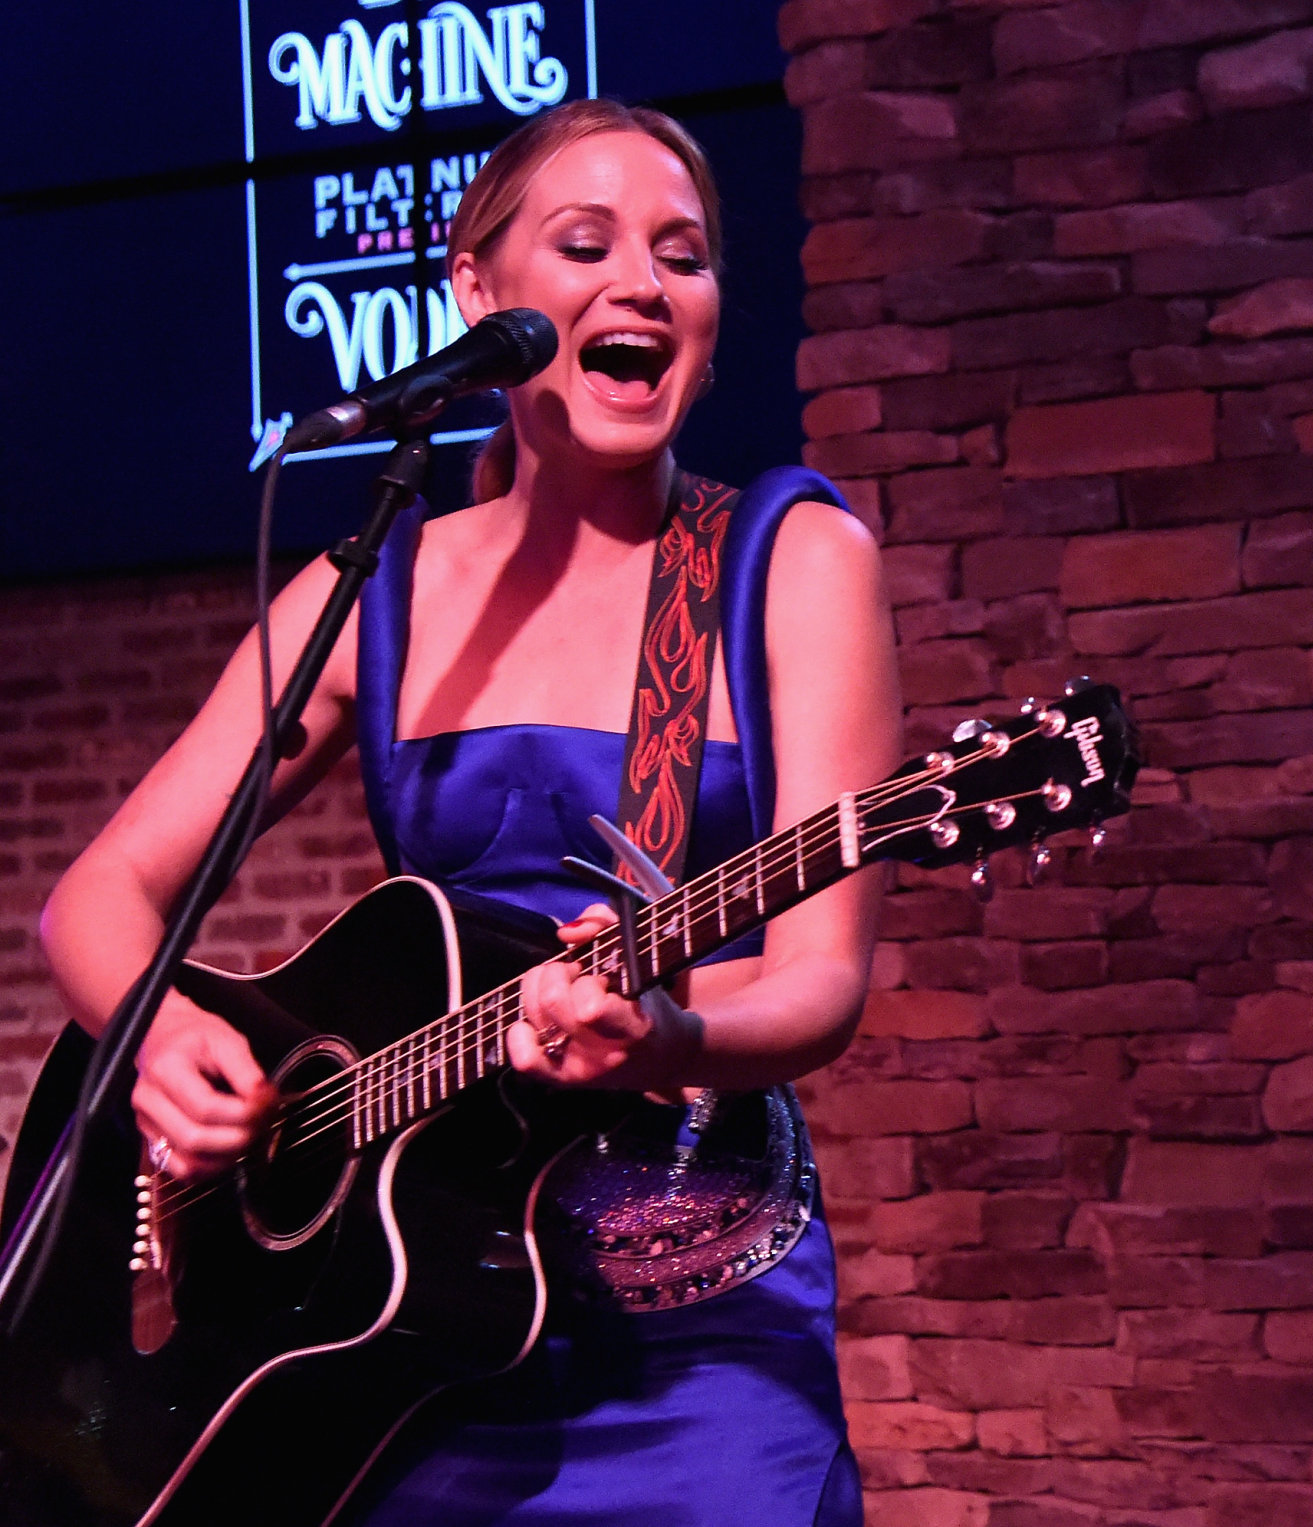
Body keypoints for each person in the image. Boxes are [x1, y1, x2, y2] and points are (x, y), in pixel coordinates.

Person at [38, 99, 898, 1525]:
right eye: (587, 243)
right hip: (405, 1333)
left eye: (684, 257)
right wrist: (172, 1040)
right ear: (479, 293)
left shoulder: (783, 561)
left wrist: (669, 1041)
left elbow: (822, 981)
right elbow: (101, 898)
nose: (644, 284)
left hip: (696, 1335)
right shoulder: (373, 590)